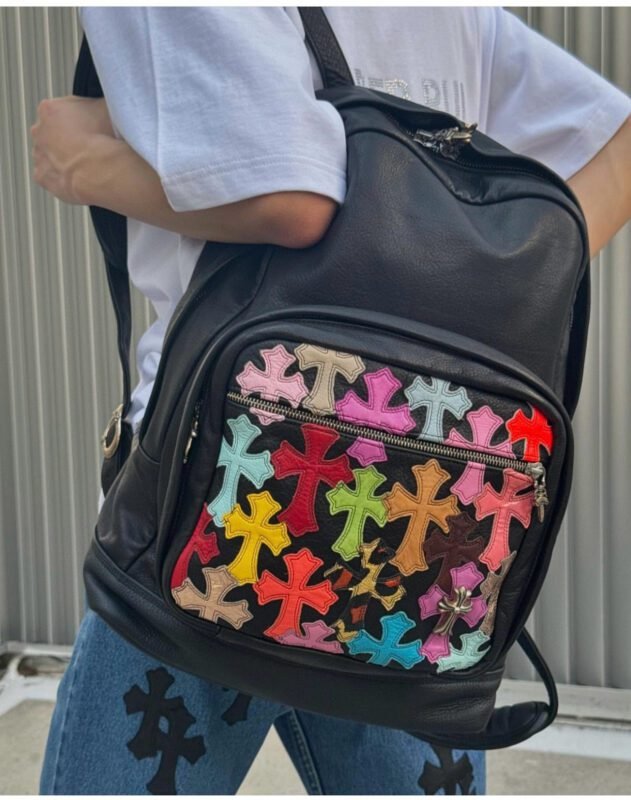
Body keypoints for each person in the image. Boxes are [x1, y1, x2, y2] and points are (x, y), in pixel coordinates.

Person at [31, 7, 631, 795]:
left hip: (217, 515)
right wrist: (502, 280)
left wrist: (84, 167)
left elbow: (291, 199)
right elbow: (616, 142)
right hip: (414, 568)